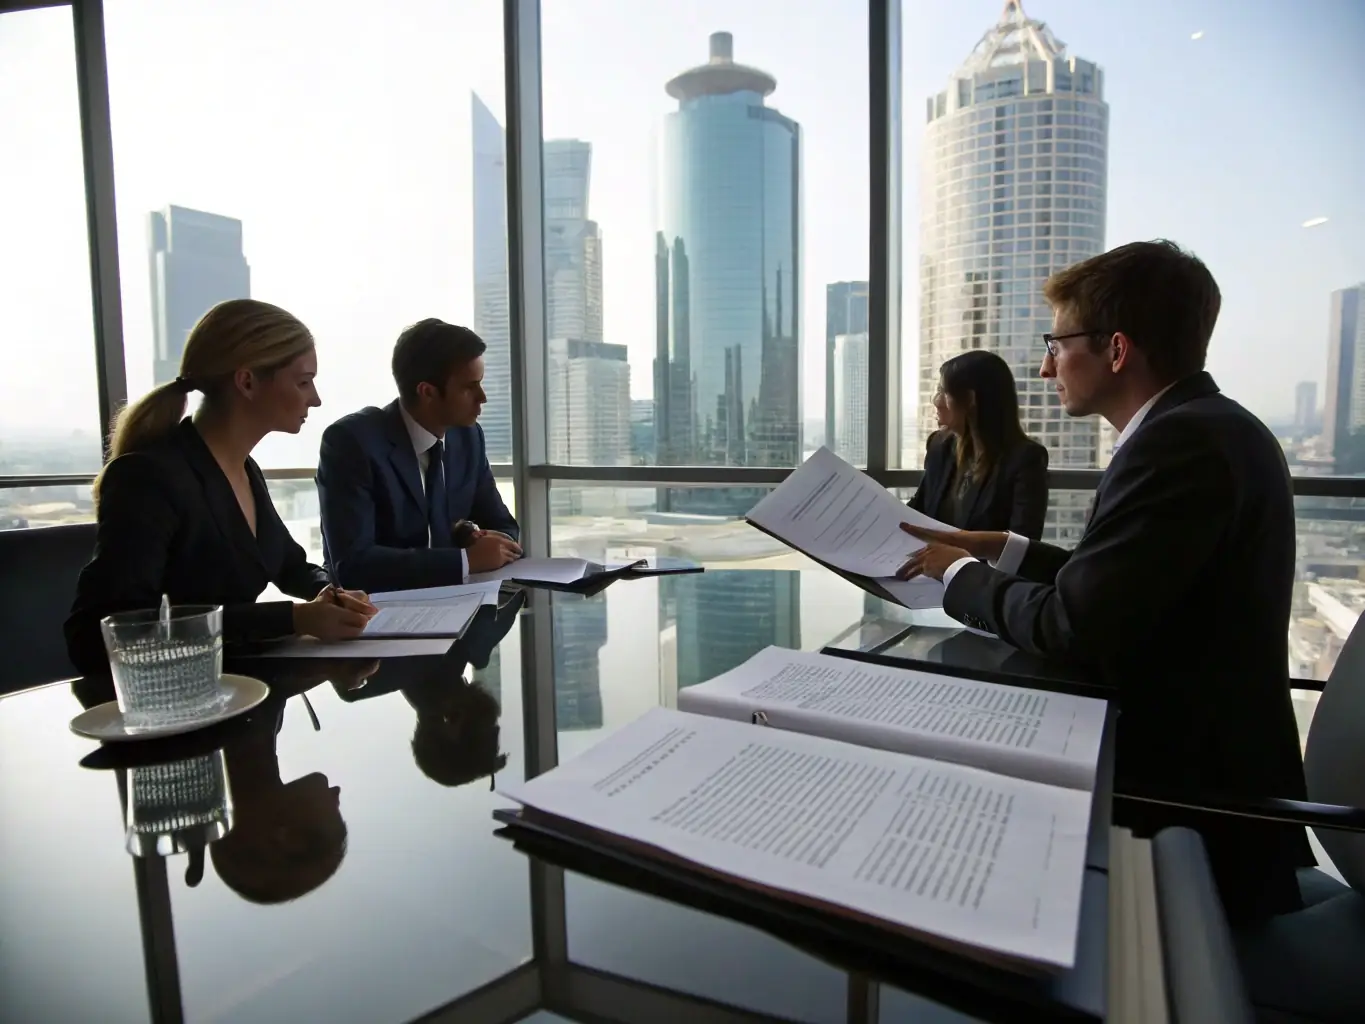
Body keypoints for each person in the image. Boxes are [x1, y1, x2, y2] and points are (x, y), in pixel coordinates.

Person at [897, 240, 1311, 924]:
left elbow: (1074, 625)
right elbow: (1125, 583)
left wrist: (960, 574)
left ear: (1115, 351)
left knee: (943, 833)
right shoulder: (1208, 427)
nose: (1043, 364)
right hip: (1189, 763)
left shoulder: (1178, 445)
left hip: (1181, 811)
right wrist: (1003, 549)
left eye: (1056, 344)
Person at [65, 299, 376, 676]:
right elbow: (107, 632)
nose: (316, 398)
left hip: (238, 691)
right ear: (247, 382)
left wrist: (330, 593)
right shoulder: (148, 478)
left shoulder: (246, 470)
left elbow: (290, 565)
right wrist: (293, 618)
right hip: (178, 703)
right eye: (303, 381)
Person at [317, 319, 521, 593]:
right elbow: (354, 564)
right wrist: (464, 560)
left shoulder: (468, 437)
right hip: (376, 612)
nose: (482, 397)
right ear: (428, 392)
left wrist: (478, 537)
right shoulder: (352, 442)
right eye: (469, 387)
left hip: (461, 600)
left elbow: (502, 525)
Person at [908, 350, 1048, 538]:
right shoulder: (940, 446)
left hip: (981, 568)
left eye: (943, 391)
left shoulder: (1024, 460)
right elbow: (917, 512)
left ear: (971, 400)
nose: (936, 401)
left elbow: (1022, 545)